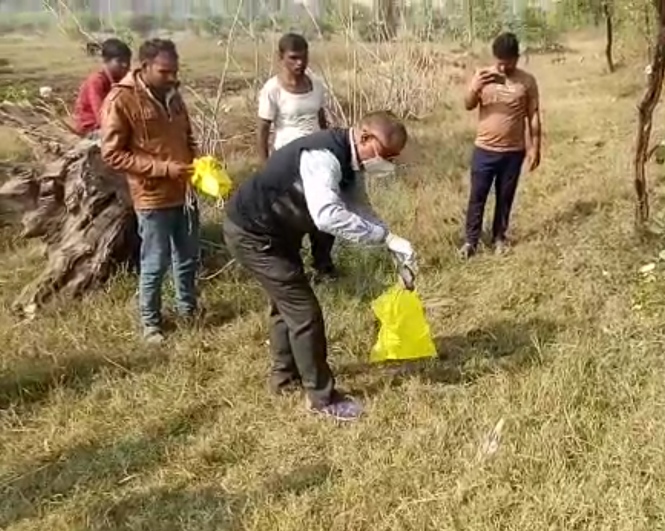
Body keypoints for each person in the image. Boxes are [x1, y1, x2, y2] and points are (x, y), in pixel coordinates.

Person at [223, 111, 417, 421]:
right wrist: (380, 235)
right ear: (365, 138)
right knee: (304, 313)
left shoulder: (351, 161)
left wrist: (390, 239)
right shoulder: (323, 158)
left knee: (284, 306)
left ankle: (284, 379)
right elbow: (327, 215)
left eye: (392, 158)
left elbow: (358, 205)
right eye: (384, 154)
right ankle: (322, 398)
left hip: (277, 233)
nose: (387, 163)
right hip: (253, 233)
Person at [101, 38, 199, 343]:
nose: (171, 77)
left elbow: (187, 136)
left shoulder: (173, 95)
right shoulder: (121, 100)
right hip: (152, 194)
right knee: (155, 261)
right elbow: (112, 154)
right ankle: (151, 323)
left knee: (187, 256)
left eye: (174, 71)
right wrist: (162, 169)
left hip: (184, 191)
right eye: (164, 71)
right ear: (144, 67)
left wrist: (198, 161)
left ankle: (188, 310)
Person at [257, 33, 338, 282]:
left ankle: (323, 265)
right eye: (293, 58)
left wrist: (331, 147)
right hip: (288, 162)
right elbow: (263, 130)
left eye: (303, 57)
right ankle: (293, 269)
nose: (299, 63)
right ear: (281, 57)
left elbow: (321, 119)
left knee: (324, 213)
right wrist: (265, 166)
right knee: (293, 217)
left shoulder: (316, 83)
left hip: (317, 159)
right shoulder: (272, 90)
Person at [460, 32, 542, 258]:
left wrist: (535, 146)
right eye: (499, 62)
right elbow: (468, 105)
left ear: (517, 58)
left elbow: (533, 115)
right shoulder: (483, 76)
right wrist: (474, 87)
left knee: (505, 198)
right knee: (477, 197)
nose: (503, 68)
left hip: (513, 153)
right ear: (494, 57)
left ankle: (499, 238)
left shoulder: (527, 81)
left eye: (509, 63)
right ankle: (470, 242)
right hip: (484, 151)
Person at [72, 38, 131, 140]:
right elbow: (101, 115)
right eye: (120, 61)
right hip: (92, 128)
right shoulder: (96, 81)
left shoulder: (122, 80)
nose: (125, 65)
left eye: (127, 61)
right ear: (106, 61)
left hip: (112, 123)